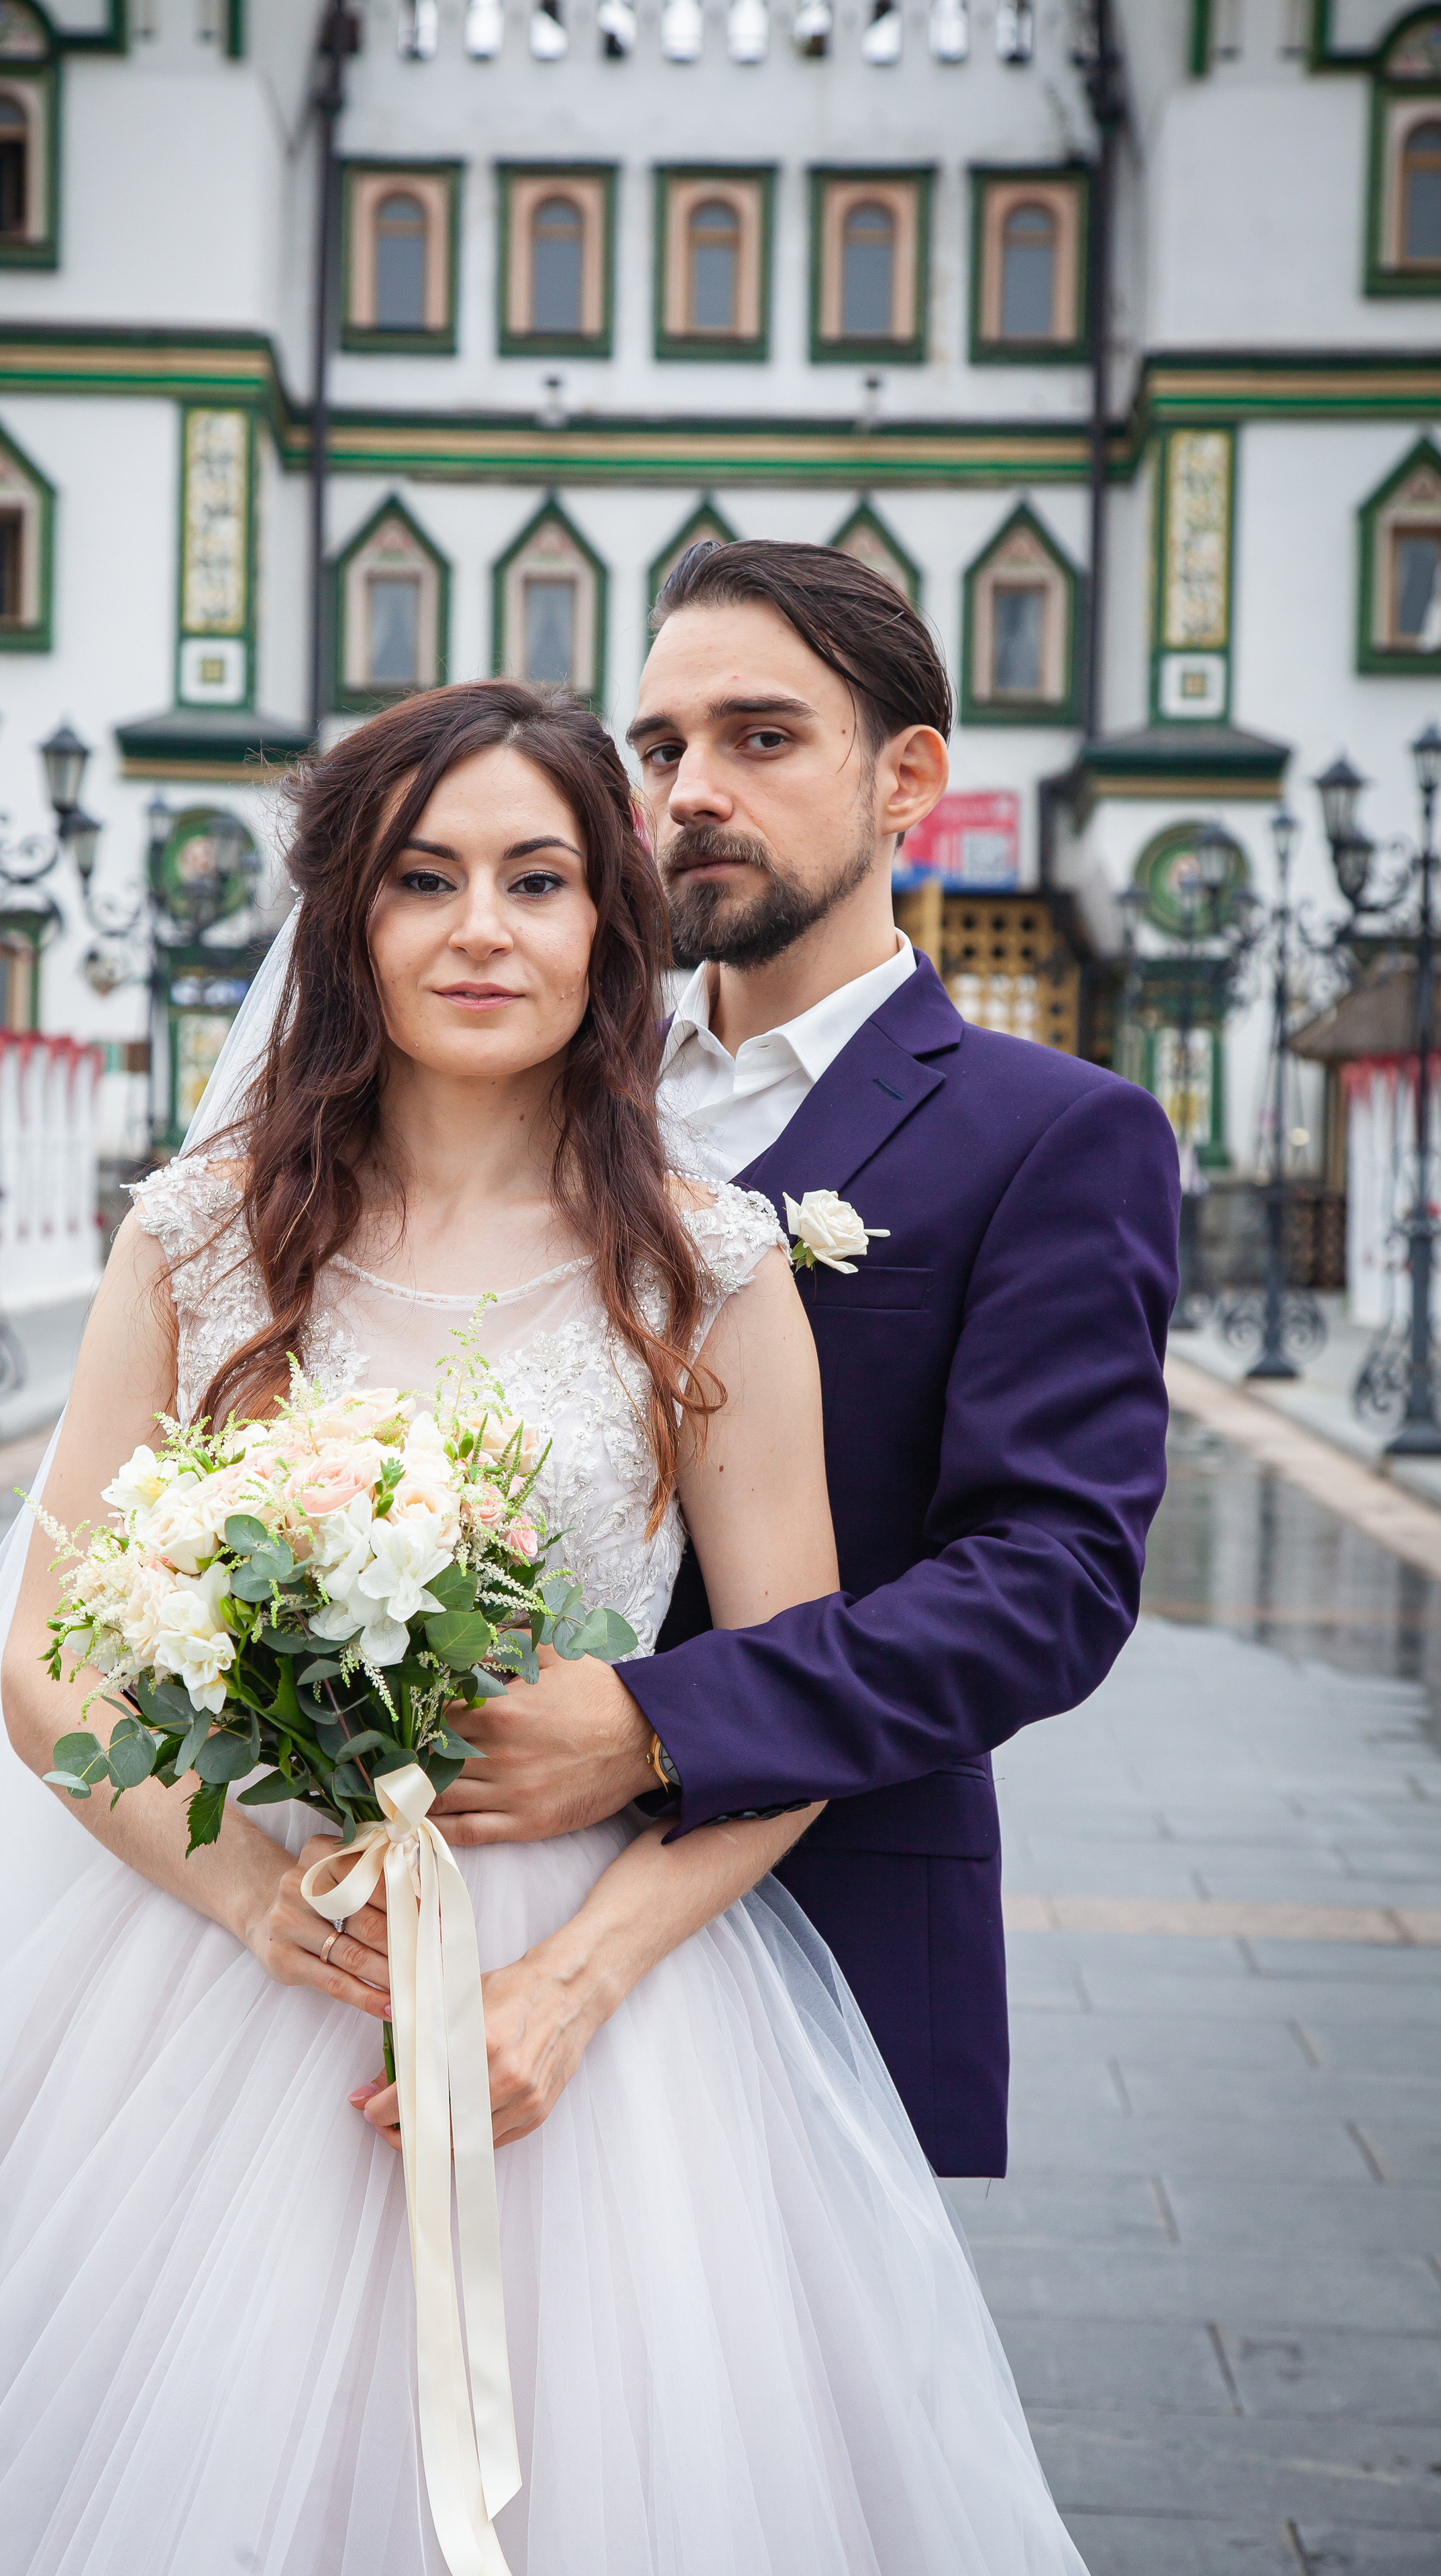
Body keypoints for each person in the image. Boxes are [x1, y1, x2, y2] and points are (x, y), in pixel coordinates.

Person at [0, 680, 1087, 2575]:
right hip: (224, 1975)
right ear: (345, 925)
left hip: (604, 2015)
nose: (481, 931)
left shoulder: (704, 1267)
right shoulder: (200, 1240)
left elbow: (803, 1701)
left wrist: (569, 1990)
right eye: (423, 880)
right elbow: (48, 1669)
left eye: (538, 880)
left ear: (607, 923)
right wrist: (240, 1907)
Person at [432, 541, 1181, 2179]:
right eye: (659, 748)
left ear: (904, 775)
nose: (690, 790)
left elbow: (1047, 1580)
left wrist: (648, 1724)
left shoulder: (1051, 1137)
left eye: (760, 738)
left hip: (819, 1924)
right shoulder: (524, 1088)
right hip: (443, 1907)